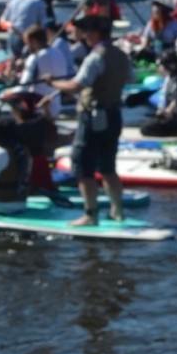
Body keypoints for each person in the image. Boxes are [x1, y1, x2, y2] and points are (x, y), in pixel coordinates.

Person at [53, 13, 131, 226]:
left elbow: (77, 85)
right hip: (114, 114)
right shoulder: (121, 55)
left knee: (83, 166)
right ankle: (118, 211)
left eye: (87, 31)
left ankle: (91, 214)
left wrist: (54, 83)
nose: (85, 35)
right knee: (108, 166)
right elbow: (128, 79)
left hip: (93, 116)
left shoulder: (95, 57)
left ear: (96, 33)